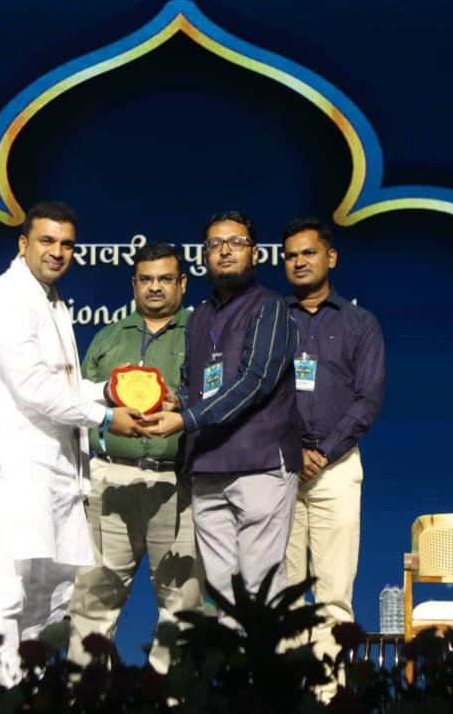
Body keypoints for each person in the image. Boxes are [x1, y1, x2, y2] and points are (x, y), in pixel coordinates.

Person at [0, 201, 145, 684]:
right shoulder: (6, 300)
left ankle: (30, 687)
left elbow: (63, 384)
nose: (57, 252)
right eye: (47, 241)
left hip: (55, 464)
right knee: (8, 589)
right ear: (24, 244)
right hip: (14, 464)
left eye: (67, 244)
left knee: (53, 591)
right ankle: (3, 694)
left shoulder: (50, 300)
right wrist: (105, 416)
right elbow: (33, 387)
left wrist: (112, 391)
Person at [143, 210, 300, 621]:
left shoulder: (271, 308)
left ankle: (265, 666)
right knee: (223, 594)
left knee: (260, 589)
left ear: (255, 253)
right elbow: (195, 386)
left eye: (236, 243)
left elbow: (256, 380)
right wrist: (177, 403)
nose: (225, 251)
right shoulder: (199, 317)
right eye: (215, 244)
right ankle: (234, 666)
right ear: (204, 257)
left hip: (260, 465)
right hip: (208, 468)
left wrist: (187, 419)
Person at [67, 242, 204, 673]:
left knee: (182, 604)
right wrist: (106, 429)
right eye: (146, 279)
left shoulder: (202, 333)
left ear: (183, 283)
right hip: (112, 479)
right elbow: (79, 405)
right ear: (133, 284)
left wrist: (182, 404)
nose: (155, 287)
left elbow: (217, 397)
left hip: (177, 483)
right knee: (92, 599)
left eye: (165, 279)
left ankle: (166, 696)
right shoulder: (108, 337)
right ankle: (86, 696)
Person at [280, 217, 384, 694]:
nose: (299, 262)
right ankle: (285, 697)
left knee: (334, 597)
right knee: (281, 597)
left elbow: (368, 398)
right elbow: (259, 393)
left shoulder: (360, 323)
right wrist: (292, 449)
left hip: (336, 470)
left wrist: (322, 452)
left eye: (309, 253)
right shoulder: (271, 320)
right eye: (291, 255)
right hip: (278, 470)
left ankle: (327, 699)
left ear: (331, 257)